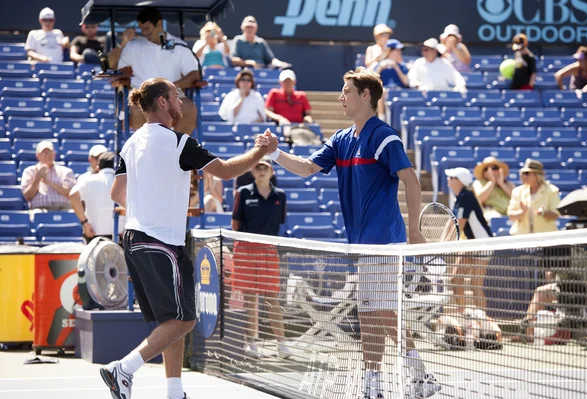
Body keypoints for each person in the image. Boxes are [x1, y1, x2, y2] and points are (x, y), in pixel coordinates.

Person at [258, 68, 440, 399]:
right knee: (376, 311)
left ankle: (381, 383)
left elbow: (411, 181)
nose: (341, 97)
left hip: (384, 240)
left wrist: (414, 231)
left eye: (347, 91)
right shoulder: (341, 140)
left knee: (375, 311)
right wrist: (274, 153)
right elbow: (307, 168)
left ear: (366, 96)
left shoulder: (384, 136)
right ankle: (411, 376)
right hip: (362, 242)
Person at [102, 77, 277, 399]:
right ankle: (123, 369)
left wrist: (151, 201)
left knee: (172, 319)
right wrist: (261, 150)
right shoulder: (180, 143)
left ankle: (174, 392)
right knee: (184, 320)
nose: (181, 102)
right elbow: (225, 171)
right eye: (176, 97)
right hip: (161, 241)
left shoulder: (130, 142)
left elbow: (116, 192)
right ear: (163, 103)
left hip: (135, 238)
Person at [230, 157, 290, 358]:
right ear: (253, 172)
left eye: (265, 168)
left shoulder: (280, 196)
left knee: (272, 298)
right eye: (258, 168)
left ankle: (282, 345)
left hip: (268, 251)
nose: (262, 171)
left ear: (272, 171)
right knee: (250, 300)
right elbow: (235, 223)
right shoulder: (243, 192)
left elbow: (279, 222)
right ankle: (251, 343)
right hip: (246, 251)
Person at [109, 7, 199, 135]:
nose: (145, 33)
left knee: (189, 108)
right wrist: (122, 43)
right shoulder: (134, 46)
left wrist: (172, 87)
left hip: (172, 95)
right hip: (143, 96)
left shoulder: (179, 45)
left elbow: (195, 74)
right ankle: (146, 150)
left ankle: (176, 149)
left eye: (147, 29)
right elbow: (109, 64)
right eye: (142, 29)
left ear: (159, 24)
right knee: (137, 108)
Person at [445, 167, 493, 314]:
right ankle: (464, 316)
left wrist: (444, 242)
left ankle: (482, 324)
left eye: (451, 177)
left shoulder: (466, 196)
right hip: (472, 243)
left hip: (483, 243)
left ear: (458, 181)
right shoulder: (460, 197)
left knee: (475, 284)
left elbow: (459, 224)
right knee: (455, 280)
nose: (448, 179)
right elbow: (453, 223)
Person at [69, 152, 124, 243]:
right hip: (119, 236)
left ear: (98, 167)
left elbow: (73, 195)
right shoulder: (124, 182)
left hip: (93, 236)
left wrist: (84, 223)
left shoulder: (87, 180)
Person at [507, 159, 560, 235]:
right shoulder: (517, 191)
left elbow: (556, 215)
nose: (523, 176)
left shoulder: (551, 191)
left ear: (537, 175)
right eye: (522, 173)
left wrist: (543, 213)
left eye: (527, 173)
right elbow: (511, 215)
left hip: (545, 237)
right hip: (521, 236)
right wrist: (521, 212)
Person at [21, 140, 76, 212]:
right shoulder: (30, 171)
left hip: (63, 208)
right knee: (36, 213)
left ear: (54, 154)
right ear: (37, 156)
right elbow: (28, 196)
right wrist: (37, 178)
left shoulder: (65, 171)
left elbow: (71, 193)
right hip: (39, 209)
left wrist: (49, 182)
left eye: (49, 152)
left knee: (72, 213)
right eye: (43, 152)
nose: (47, 155)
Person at [373, 39, 409, 120]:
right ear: (389, 51)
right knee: (382, 92)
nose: (399, 52)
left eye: (400, 50)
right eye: (397, 50)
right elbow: (373, 82)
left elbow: (406, 82)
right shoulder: (379, 65)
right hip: (385, 90)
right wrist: (380, 68)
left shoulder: (402, 65)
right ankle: (382, 118)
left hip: (399, 91)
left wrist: (396, 67)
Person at [472, 157, 515, 221]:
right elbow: (479, 199)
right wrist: (492, 182)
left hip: (511, 212)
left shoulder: (508, 184)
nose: (491, 171)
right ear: (484, 173)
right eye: (486, 169)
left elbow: (516, 197)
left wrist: (501, 184)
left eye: (494, 168)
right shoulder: (479, 183)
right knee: (495, 218)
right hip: (491, 212)